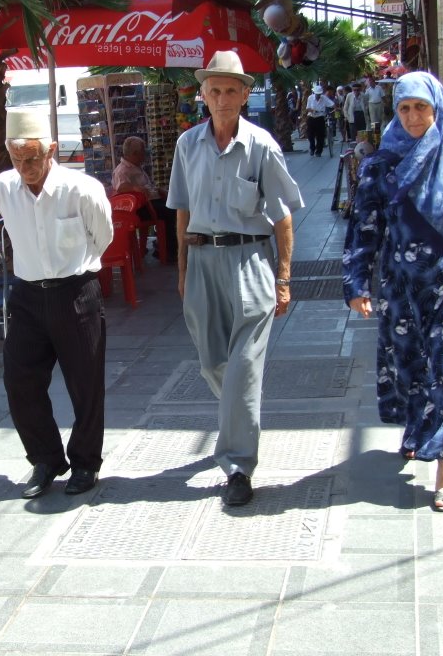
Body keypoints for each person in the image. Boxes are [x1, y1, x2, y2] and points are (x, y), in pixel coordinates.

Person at [342, 71, 443, 513]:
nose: (414, 116)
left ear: (438, 108)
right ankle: (417, 431)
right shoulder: (381, 165)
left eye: (422, 107)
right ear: (395, 111)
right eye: (405, 108)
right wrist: (357, 283)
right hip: (402, 284)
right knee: (411, 365)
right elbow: (364, 228)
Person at [167, 51, 304, 507]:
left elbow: (282, 218)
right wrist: (183, 270)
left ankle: (238, 465)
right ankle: (240, 415)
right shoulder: (187, 144)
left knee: (244, 368)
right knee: (212, 362)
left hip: (250, 263)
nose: (222, 99)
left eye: (231, 90)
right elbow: (182, 211)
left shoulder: (262, 144)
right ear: (202, 94)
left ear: (246, 94)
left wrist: (283, 279)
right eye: (214, 90)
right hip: (202, 262)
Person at [0, 108, 114, 499]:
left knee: (85, 383)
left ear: (52, 150)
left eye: (32, 157)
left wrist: (75, 268)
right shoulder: (3, 188)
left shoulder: (81, 189)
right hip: (27, 295)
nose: (25, 167)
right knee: (20, 380)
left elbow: (103, 237)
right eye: (16, 158)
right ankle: (44, 459)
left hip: (75, 291)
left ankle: (85, 463)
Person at [112, 135, 179, 259]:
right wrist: (134, 188)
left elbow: (148, 186)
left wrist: (159, 191)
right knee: (169, 211)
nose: (144, 156)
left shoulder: (136, 168)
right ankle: (167, 251)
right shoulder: (123, 170)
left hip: (150, 203)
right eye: (142, 153)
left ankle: (164, 246)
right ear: (135, 153)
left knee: (173, 206)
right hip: (140, 209)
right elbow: (121, 188)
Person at [305, 84, 334, 157]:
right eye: (316, 94)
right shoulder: (310, 98)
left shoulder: (324, 98)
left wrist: (336, 107)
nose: (318, 96)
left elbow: (331, 104)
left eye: (319, 94)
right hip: (311, 117)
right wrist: (313, 110)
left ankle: (319, 151)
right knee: (310, 135)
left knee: (320, 136)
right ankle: (312, 148)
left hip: (320, 118)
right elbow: (308, 108)